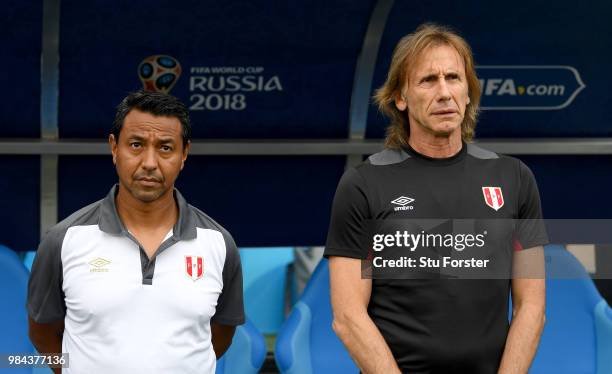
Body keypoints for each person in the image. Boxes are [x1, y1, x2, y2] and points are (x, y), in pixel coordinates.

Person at [326, 23, 547, 374]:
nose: (444, 92)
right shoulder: (364, 184)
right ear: (400, 97)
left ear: (469, 91)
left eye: (453, 78)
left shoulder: (515, 178)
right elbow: (348, 316)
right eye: (428, 80)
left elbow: (531, 305)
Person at [27, 90, 244, 373]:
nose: (150, 163)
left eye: (165, 147)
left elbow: (220, 335)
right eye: (136, 145)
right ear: (114, 148)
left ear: (184, 154)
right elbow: (43, 334)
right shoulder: (63, 240)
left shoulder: (219, 243)